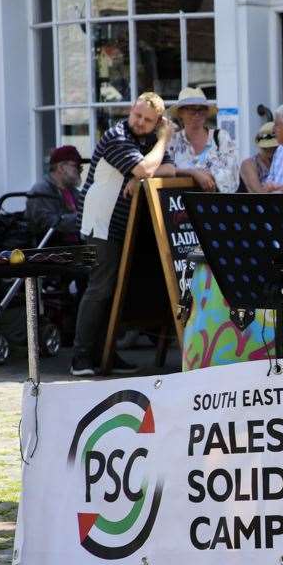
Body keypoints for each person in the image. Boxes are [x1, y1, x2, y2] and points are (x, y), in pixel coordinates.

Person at [71, 92, 176, 377]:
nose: (140, 122)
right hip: (99, 222)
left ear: (157, 122)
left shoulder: (147, 140)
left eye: (148, 120)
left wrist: (138, 175)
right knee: (100, 287)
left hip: (119, 226)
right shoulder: (116, 135)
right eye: (137, 115)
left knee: (114, 292)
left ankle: (105, 353)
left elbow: (168, 167)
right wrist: (162, 142)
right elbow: (146, 167)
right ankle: (80, 357)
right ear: (131, 110)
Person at [167, 86, 238, 193]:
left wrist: (209, 176)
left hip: (215, 204)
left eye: (201, 109)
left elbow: (232, 175)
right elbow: (164, 171)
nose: (197, 113)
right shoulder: (172, 140)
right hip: (181, 204)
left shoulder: (220, 137)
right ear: (180, 112)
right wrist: (193, 173)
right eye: (191, 109)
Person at [26, 145, 84, 242]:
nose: (79, 170)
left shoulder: (74, 192)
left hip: (74, 250)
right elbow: (47, 223)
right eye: (75, 166)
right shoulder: (40, 191)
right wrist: (82, 219)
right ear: (61, 167)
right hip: (50, 252)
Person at [239, 121, 278, 193]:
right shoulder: (249, 164)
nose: (270, 150)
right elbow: (259, 193)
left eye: (274, 147)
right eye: (266, 148)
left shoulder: (282, 162)